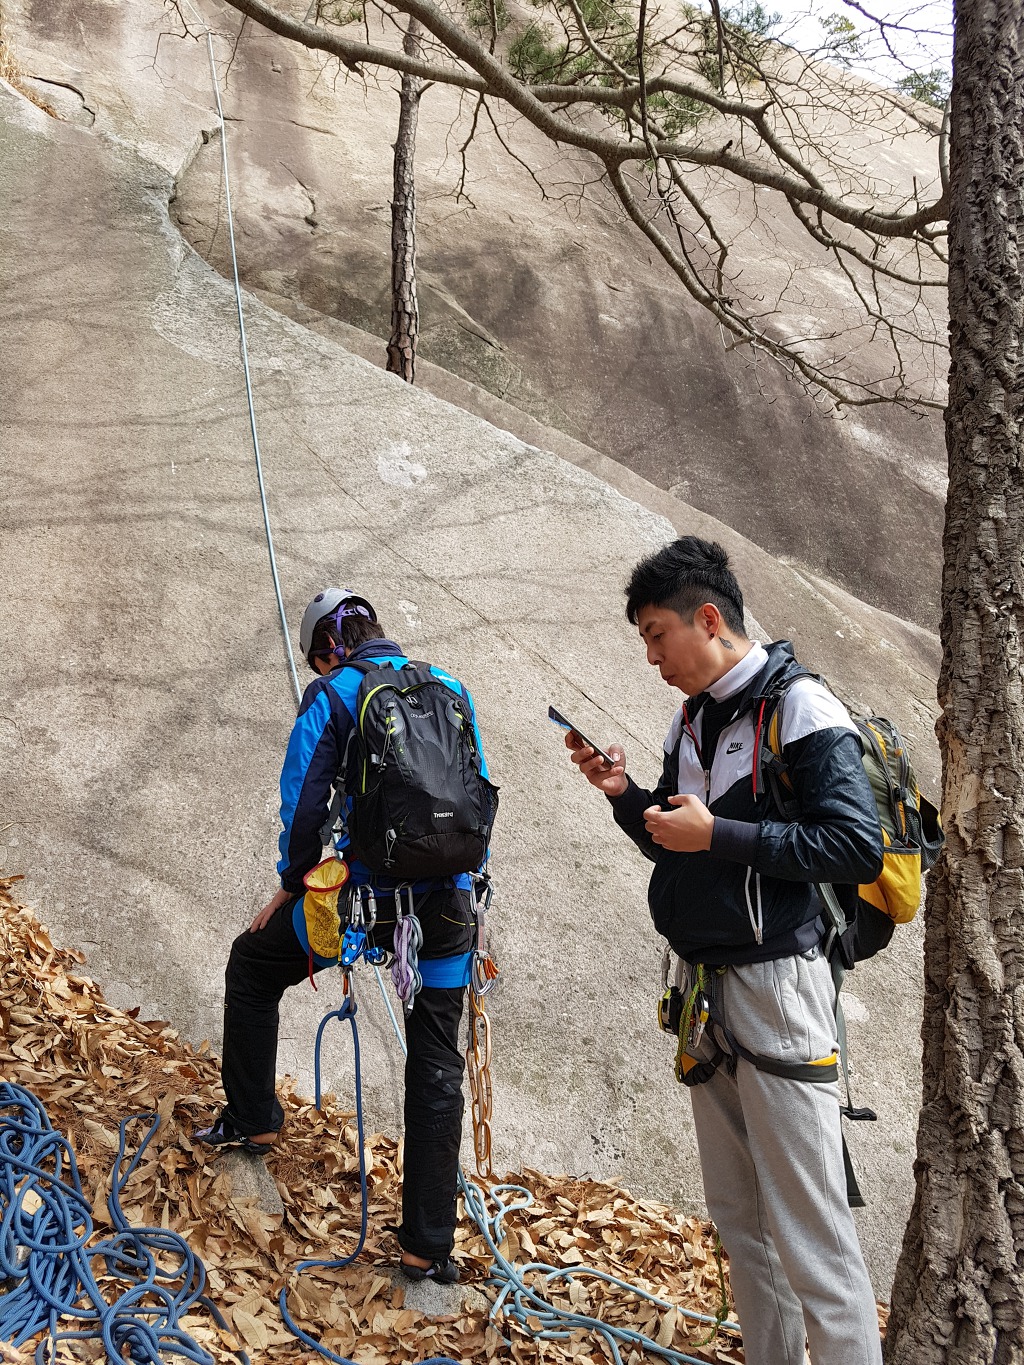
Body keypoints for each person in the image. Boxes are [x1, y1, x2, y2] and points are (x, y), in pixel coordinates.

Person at [566, 536, 884, 1365]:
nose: (651, 657)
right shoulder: (692, 720)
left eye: (657, 634)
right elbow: (680, 845)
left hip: (779, 986)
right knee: (743, 1225)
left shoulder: (800, 707)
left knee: (813, 1235)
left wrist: (720, 834)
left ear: (708, 618)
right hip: (705, 990)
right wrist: (624, 795)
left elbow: (857, 845)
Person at [198, 589, 493, 1284]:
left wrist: (294, 880)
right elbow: (478, 790)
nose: (316, 669)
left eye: (314, 659)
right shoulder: (450, 688)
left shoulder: (333, 696)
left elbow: (303, 803)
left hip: (361, 906)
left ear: (329, 649)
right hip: (449, 909)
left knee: (252, 963)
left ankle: (252, 1118)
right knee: (436, 1059)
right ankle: (426, 1244)